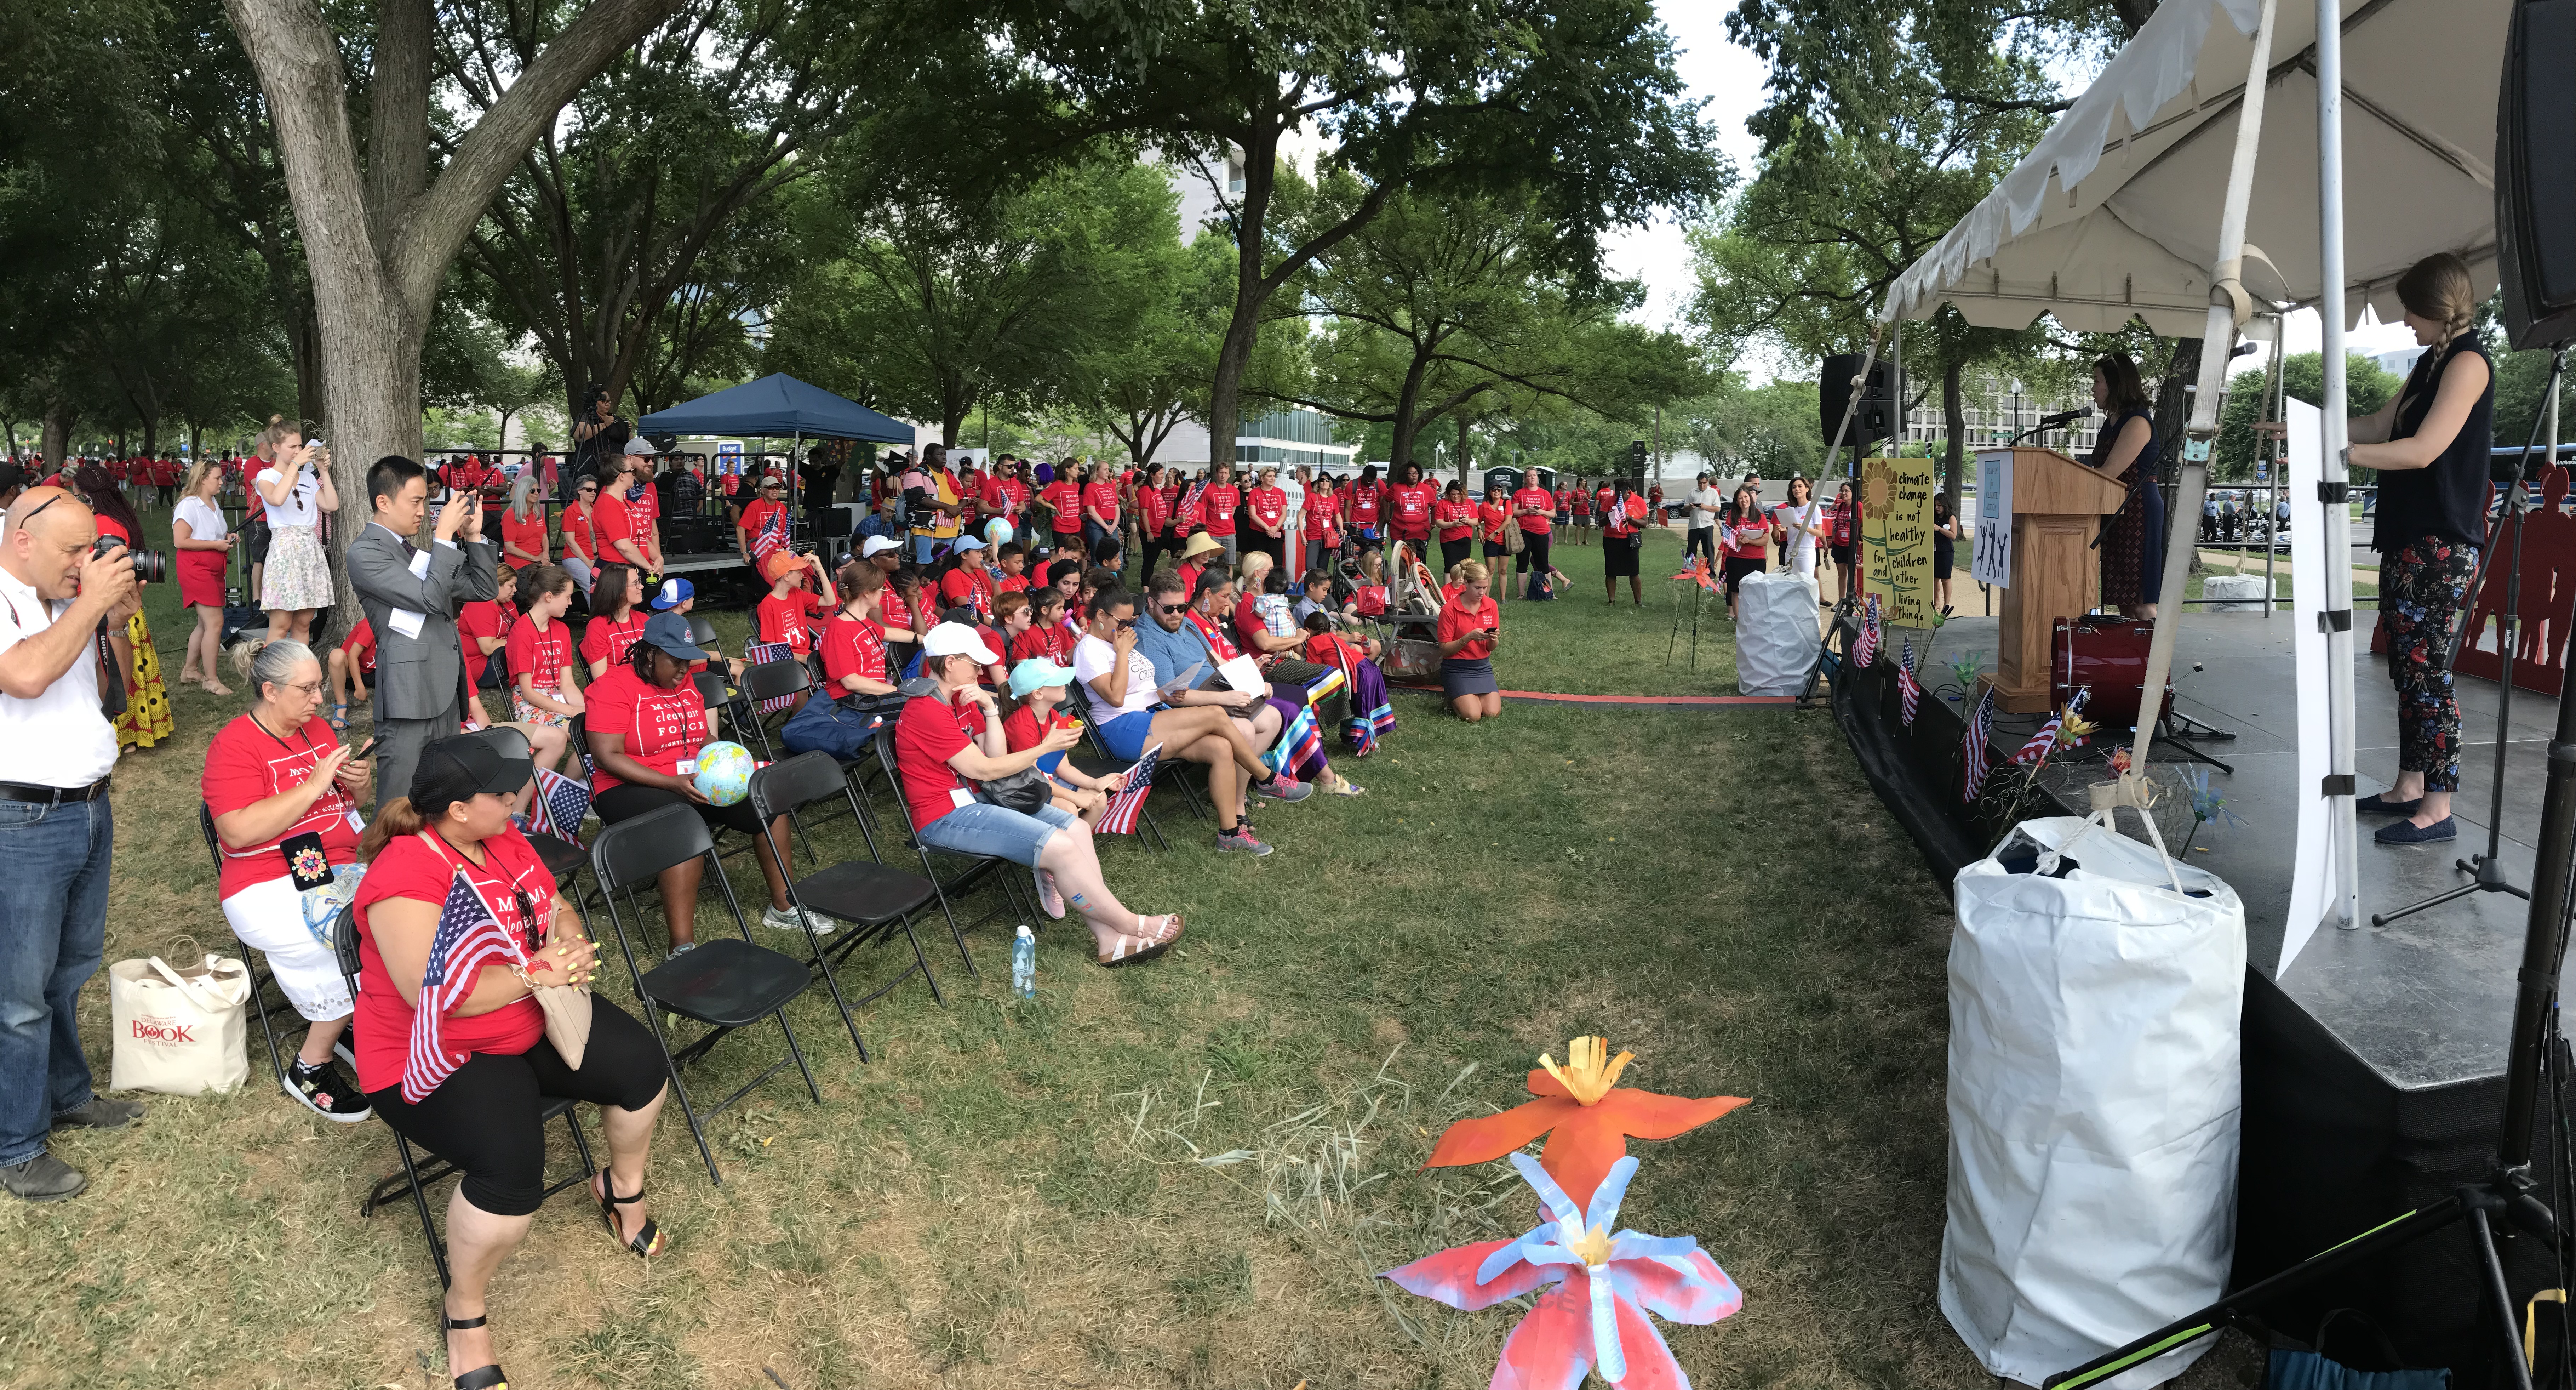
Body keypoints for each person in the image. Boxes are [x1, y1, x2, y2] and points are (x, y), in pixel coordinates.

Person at [351, 733, 668, 1390]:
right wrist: (536, 974)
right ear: (459, 810)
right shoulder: (407, 873)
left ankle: (620, 1189)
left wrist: (569, 943)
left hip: (533, 1018)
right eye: (501, 793)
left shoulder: (503, 840)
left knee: (641, 1065)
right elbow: (436, 994)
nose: (516, 800)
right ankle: (464, 1311)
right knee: (513, 1171)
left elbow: (552, 907)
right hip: (435, 1050)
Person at [0, 486, 145, 1201]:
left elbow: (98, 694)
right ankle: (18, 1145)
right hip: (21, 819)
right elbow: (25, 676)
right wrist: (90, 603)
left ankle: (67, 1092)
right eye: (73, 549)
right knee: (19, 995)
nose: (86, 561)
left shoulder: (64, 601)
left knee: (69, 970)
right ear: (22, 538)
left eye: (94, 547)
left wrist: (109, 619)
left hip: (87, 806)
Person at [2326, 252, 2492, 846]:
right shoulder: (2431, 362)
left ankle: (2437, 806)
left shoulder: (2468, 363)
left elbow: (2421, 449)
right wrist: (2317, 427)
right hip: (2410, 538)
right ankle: (2407, 785)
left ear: (2435, 307)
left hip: (2440, 545)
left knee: (2427, 675)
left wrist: (2344, 458)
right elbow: (2377, 423)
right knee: (2406, 667)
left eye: (2410, 309)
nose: (2404, 322)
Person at [897, 621, 1183, 960]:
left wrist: (990, 711)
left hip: (981, 799)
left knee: (1076, 827)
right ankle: (1133, 924)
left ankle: (1108, 940)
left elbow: (996, 756)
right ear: (950, 664)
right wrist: (1044, 747)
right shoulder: (925, 710)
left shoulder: (963, 700)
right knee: (1060, 848)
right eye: (976, 665)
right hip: (945, 815)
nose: (982, 671)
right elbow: (984, 769)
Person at [203, 637, 374, 1120]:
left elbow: (346, 809)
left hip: (325, 864)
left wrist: (355, 786)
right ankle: (310, 1064)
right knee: (353, 930)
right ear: (270, 690)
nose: (320, 699)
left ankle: (349, 1020)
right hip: (264, 878)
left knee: (404, 908)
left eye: (320, 687)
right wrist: (315, 784)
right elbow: (236, 831)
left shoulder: (315, 729)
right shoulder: (235, 743)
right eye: (307, 689)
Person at [586, 613, 815, 942]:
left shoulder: (685, 680)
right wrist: (670, 783)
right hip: (626, 786)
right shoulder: (612, 686)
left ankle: (784, 908)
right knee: (684, 823)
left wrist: (732, 760)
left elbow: (701, 738)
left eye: (688, 662)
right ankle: (683, 947)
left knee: (766, 800)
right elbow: (607, 757)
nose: (683, 670)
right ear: (650, 654)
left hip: (691, 778)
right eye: (676, 661)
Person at [1074, 586, 1305, 853]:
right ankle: (1267, 779)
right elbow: (1115, 698)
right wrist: (1123, 653)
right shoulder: (1090, 650)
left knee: (1221, 748)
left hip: (1152, 715)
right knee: (1216, 714)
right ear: (1101, 616)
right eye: (1123, 623)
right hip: (1121, 727)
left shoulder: (1115, 641)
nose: (1128, 628)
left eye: (1131, 621)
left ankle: (1230, 835)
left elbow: (1143, 690)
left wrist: (1168, 692)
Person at [348, 454, 500, 813]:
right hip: (408, 694)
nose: (423, 511)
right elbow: (429, 598)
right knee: (400, 802)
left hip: (444, 688)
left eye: (426, 502)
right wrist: (444, 536)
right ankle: (386, 863)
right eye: (416, 501)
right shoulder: (365, 553)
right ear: (383, 502)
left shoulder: (412, 552)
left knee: (441, 793)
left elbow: (482, 588)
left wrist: (474, 535)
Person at [74, 463, 172, 752]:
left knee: (115, 671)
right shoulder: (118, 516)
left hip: (112, 607)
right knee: (132, 672)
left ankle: (124, 734)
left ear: (88, 496)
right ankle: (137, 731)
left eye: (77, 494)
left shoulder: (103, 524)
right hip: (124, 605)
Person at [1001, 659, 1126, 825]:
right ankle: (1070, 846)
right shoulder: (1021, 725)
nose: (1065, 685)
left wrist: (1096, 783)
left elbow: (1064, 767)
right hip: (1024, 788)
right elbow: (1035, 778)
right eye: (1058, 682)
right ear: (1038, 694)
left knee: (1100, 797)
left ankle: (1082, 844)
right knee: (1069, 809)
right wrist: (1075, 797)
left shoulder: (1053, 716)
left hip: (1045, 781)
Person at [251, 417, 339, 644]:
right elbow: (277, 499)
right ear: (276, 448)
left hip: (309, 549)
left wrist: (323, 472)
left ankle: (300, 677)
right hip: (285, 550)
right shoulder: (267, 476)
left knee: (303, 624)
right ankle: (272, 675)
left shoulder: (308, 478)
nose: (298, 451)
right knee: (281, 626)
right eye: (293, 447)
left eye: (300, 446)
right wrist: (295, 466)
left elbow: (331, 505)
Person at [172, 460, 236, 695]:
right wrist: (215, 545)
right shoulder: (188, 506)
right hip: (196, 568)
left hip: (214, 568)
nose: (222, 482)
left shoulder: (213, 503)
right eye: (217, 478)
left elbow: (214, 534)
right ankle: (211, 679)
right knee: (215, 623)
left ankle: (190, 670)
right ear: (202, 479)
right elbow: (180, 541)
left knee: (204, 623)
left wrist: (227, 537)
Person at [506, 563, 584, 739]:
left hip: (557, 699)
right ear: (549, 597)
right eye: (568, 597)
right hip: (531, 704)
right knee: (585, 732)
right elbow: (528, 692)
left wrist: (586, 710)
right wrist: (572, 711)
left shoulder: (562, 630)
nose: (571, 603)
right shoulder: (522, 632)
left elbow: (568, 684)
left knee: (597, 725)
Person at [1437, 560, 1502, 723]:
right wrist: (1467, 639)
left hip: (1482, 666)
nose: (1482, 593)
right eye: (1478, 588)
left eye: (1485, 588)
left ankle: (1466, 697)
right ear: (1466, 584)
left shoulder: (1491, 605)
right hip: (1456, 667)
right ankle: (1455, 698)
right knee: (1472, 716)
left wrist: (1494, 639)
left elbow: (1491, 648)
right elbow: (1444, 650)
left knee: (1492, 713)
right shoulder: (1449, 610)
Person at [581, 563, 649, 678]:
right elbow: (601, 679)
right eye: (635, 583)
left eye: (640, 581)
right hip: (617, 689)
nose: (641, 587)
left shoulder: (644, 619)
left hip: (647, 686)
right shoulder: (598, 627)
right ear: (619, 590)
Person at [1719, 485, 1772, 618]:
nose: (1744, 500)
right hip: (1736, 559)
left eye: (1746, 497)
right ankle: (1739, 622)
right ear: (1737, 501)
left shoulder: (1759, 517)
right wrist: (1738, 542)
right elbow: (1726, 539)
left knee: (1755, 592)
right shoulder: (1732, 516)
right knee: (1736, 591)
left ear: (1751, 499)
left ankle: (1753, 620)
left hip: (1756, 560)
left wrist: (1749, 541)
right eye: (1740, 498)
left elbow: (1765, 540)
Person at [1599, 478, 1647, 606]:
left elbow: (1645, 523)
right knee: (1611, 572)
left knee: (1634, 572)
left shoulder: (1638, 501)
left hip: (1629, 540)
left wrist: (1630, 518)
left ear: (1629, 491)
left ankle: (1638, 601)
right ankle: (1612, 601)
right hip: (1611, 540)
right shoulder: (1609, 501)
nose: (1619, 495)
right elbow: (1600, 521)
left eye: (1622, 493)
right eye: (1617, 492)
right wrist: (1610, 516)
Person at [1510, 471, 1556, 599]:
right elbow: (1513, 512)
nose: (1532, 478)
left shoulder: (1545, 494)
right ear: (1525, 478)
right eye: (1529, 476)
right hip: (1524, 532)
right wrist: (1527, 511)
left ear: (1537, 478)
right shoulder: (1520, 493)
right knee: (1522, 562)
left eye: (1534, 475)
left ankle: (1549, 592)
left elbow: (1553, 514)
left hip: (1541, 532)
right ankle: (1521, 594)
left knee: (1543, 564)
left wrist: (1541, 512)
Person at [1775, 476, 1826, 583]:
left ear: (1807, 489)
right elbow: (1793, 534)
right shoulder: (1791, 509)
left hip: (1806, 551)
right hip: (1790, 551)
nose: (1797, 489)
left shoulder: (1813, 508)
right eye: (1794, 487)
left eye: (1800, 486)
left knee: (1807, 583)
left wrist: (1806, 528)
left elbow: (1819, 532)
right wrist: (1785, 530)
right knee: (1791, 583)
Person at [327, 616, 377, 724]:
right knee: (337, 656)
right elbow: (352, 656)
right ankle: (341, 706)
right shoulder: (370, 626)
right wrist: (359, 686)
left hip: (376, 672)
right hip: (353, 670)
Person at [559, 472, 600, 597]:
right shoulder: (572, 511)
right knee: (592, 585)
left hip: (596, 556)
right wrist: (589, 563)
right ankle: (596, 616)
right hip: (575, 557)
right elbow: (571, 542)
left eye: (595, 490)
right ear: (579, 491)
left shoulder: (598, 510)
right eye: (589, 490)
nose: (593, 493)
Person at [499, 472, 548, 571]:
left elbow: (545, 538)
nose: (536, 493)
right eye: (532, 491)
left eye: (538, 490)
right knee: (548, 581)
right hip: (519, 564)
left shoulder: (538, 513)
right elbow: (510, 548)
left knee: (562, 579)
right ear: (523, 491)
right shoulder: (510, 515)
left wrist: (546, 555)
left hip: (539, 561)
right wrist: (534, 558)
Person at [1385, 462, 1436, 554]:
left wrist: (1433, 524)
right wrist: (1387, 518)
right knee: (1400, 562)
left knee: (1418, 562)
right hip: (1399, 532)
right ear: (1405, 474)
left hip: (1421, 533)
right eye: (1411, 473)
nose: (1414, 476)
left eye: (1416, 473)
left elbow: (1434, 506)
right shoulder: (1397, 487)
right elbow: (1385, 500)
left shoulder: (1426, 489)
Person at [1247, 466, 1292, 570]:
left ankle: (1274, 585)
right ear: (1262, 478)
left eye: (1274, 476)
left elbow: (1284, 514)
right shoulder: (1254, 493)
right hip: (1258, 533)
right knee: (1258, 564)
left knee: (1276, 564)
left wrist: (1276, 527)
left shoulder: (1280, 493)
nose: (1273, 479)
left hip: (1276, 532)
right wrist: (1268, 529)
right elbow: (1253, 515)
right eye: (1269, 476)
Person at [1433, 480, 1475, 574]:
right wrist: (1452, 524)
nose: (1456, 497)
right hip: (1449, 540)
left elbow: (1476, 521)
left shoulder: (1470, 502)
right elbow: (1439, 522)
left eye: (1458, 494)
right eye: (1453, 494)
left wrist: (1469, 521)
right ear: (1449, 494)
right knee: (1451, 566)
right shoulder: (1443, 503)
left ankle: (1462, 588)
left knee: (1464, 566)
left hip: (1465, 538)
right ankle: (1448, 588)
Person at [1827, 481, 1858, 606]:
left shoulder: (1858, 506)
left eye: (1847, 491)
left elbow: (1863, 526)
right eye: (1842, 491)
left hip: (1852, 545)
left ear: (1853, 492)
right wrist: (1834, 538)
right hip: (1839, 544)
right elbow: (1837, 524)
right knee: (1842, 574)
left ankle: (1854, 601)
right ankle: (1841, 601)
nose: (1844, 493)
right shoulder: (1841, 506)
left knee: (1853, 574)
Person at [1683, 472, 1721, 568]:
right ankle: (1689, 569)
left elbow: (1718, 508)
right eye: (1700, 483)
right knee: (1691, 550)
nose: (1702, 485)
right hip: (1694, 525)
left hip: (1707, 525)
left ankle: (1710, 572)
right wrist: (1690, 507)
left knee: (1708, 550)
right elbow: (1685, 507)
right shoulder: (1692, 492)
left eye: (1704, 483)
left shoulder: (1713, 493)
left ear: (1708, 482)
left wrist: (1705, 507)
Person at [1931, 495, 1957, 616]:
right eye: (1936, 506)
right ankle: (1937, 602)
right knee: (1935, 578)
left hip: (1946, 551)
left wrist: (1939, 529)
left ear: (1945, 505)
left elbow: (1953, 535)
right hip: (1934, 550)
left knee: (1945, 579)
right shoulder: (1934, 517)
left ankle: (1947, 604)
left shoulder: (1951, 518)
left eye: (1940, 506)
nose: (1937, 508)